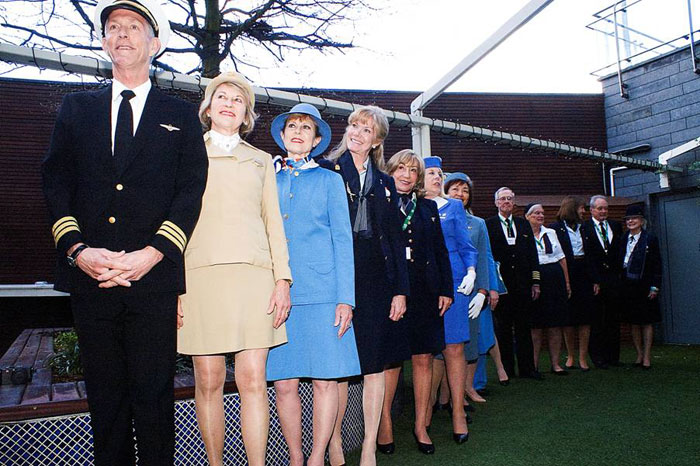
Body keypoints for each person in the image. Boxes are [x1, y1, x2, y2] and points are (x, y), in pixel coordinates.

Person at [41, 1, 208, 464]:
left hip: (152, 279)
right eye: (113, 27)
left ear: (154, 44)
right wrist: (78, 251)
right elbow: (56, 181)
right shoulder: (77, 108)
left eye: (134, 27)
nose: (122, 34)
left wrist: (152, 254)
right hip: (91, 277)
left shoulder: (180, 113)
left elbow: (190, 192)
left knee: (154, 397)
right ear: (103, 41)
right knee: (106, 399)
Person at [176, 72, 292, 466]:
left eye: (238, 99)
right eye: (220, 96)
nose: (229, 103)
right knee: (207, 381)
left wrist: (282, 280)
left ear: (247, 114)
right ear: (207, 108)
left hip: (253, 278)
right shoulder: (184, 153)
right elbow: (172, 222)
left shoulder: (261, 162)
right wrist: (173, 285)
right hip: (199, 278)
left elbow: (273, 222)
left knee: (253, 381)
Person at [265, 103, 361, 466]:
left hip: (323, 295)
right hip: (279, 294)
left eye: (306, 127)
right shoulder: (268, 178)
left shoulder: (330, 180)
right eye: (292, 126)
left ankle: (318, 456)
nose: (298, 132)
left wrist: (345, 299)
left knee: (325, 381)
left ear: (317, 140)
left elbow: (343, 241)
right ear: (283, 134)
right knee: (284, 383)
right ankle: (295, 457)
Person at [317, 106, 410, 466]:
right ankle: (336, 444)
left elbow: (395, 241)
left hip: (376, 281)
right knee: (339, 366)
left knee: (374, 366)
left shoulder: (386, 183)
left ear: (377, 141)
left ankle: (369, 448)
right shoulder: (325, 170)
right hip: (336, 278)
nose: (356, 132)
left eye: (366, 129)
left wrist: (400, 290)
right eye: (354, 124)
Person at [377, 150, 453, 455]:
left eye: (412, 170)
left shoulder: (428, 208)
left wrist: (445, 288)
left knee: (424, 359)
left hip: (425, 292)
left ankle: (421, 425)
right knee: (391, 361)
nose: (406, 175)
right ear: (390, 170)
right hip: (391, 291)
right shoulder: (378, 203)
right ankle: (384, 424)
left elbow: (440, 251)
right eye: (401, 169)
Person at [422, 157, 478, 444]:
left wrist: (471, 271)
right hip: (424, 285)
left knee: (454, 348)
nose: (435, 176)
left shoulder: (453, 207)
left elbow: (466, 246)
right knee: (427, 352)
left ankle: (457, 411)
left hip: (454, 282)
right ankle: (426, 411)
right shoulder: (414, 206)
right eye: (430, 172)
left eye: (439, 173)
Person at [444, 172, 508, 396]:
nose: (460, 194)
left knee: (471, 344)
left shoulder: (478, 224)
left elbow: (485, 258)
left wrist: (486, 289)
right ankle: (444, 398)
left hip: (471, 292)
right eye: (455, 189)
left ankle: (465, 391)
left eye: (465, 190)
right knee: (442, 349)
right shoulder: (435, 216)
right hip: (444, 289)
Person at [485, 188, 542, 380]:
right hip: (501, 288)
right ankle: (507, 369)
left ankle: (528, 369)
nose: (506, 202)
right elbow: (487, 257)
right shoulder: (488, 225)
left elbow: (533, 255)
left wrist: (535, 282)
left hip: (523, 286)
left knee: (524, 328)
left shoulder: (523, 224)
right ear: (496, 203)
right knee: (503, 329)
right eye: (503, 199)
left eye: (510, 199)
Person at [550, 195, 596, 371]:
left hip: (584, 272)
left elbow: (591, 255)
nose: (583, 211)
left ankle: (583, 357)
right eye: (581, 208)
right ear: (572, 208)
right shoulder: (555, 228)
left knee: (585, 317)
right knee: (568, 317)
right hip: (567, 273)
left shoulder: (585, 228)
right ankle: (570, 355)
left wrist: (594, 279)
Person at [524, 203, 571, 375]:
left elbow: (561, 258)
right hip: (534, 277)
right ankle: (534, 365)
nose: (540, 216)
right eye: (536, 213)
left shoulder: (551, 233)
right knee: (535, 325)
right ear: (527, 216)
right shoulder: (523, 234)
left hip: (554, 278)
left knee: (555, 324)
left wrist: (566, 282)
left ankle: (556, 364)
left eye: (542, 213)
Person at [618, 204, 662, 370]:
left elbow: (657, 263)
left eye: (634, 218)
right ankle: (638, 355)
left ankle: (647, 357)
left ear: (642, 221)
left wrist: (655, 286)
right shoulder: (623, 238)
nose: (630, 221)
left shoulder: (650, 239)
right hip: (628, 284)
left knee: (646, 321)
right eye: (628, 219)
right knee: (633, 321)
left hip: (645, 284)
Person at [582, 195, 623, 369]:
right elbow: (587, 257)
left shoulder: (615, 226)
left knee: (613, 318)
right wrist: (594, 280)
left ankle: (613, 357)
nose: (603, 211)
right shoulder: (585, 228)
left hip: (613, 279)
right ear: (591, 210)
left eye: (605, 208)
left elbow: (619, 252)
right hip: (596, 280)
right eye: (600, 208)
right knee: (597, 319)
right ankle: (598, 357)